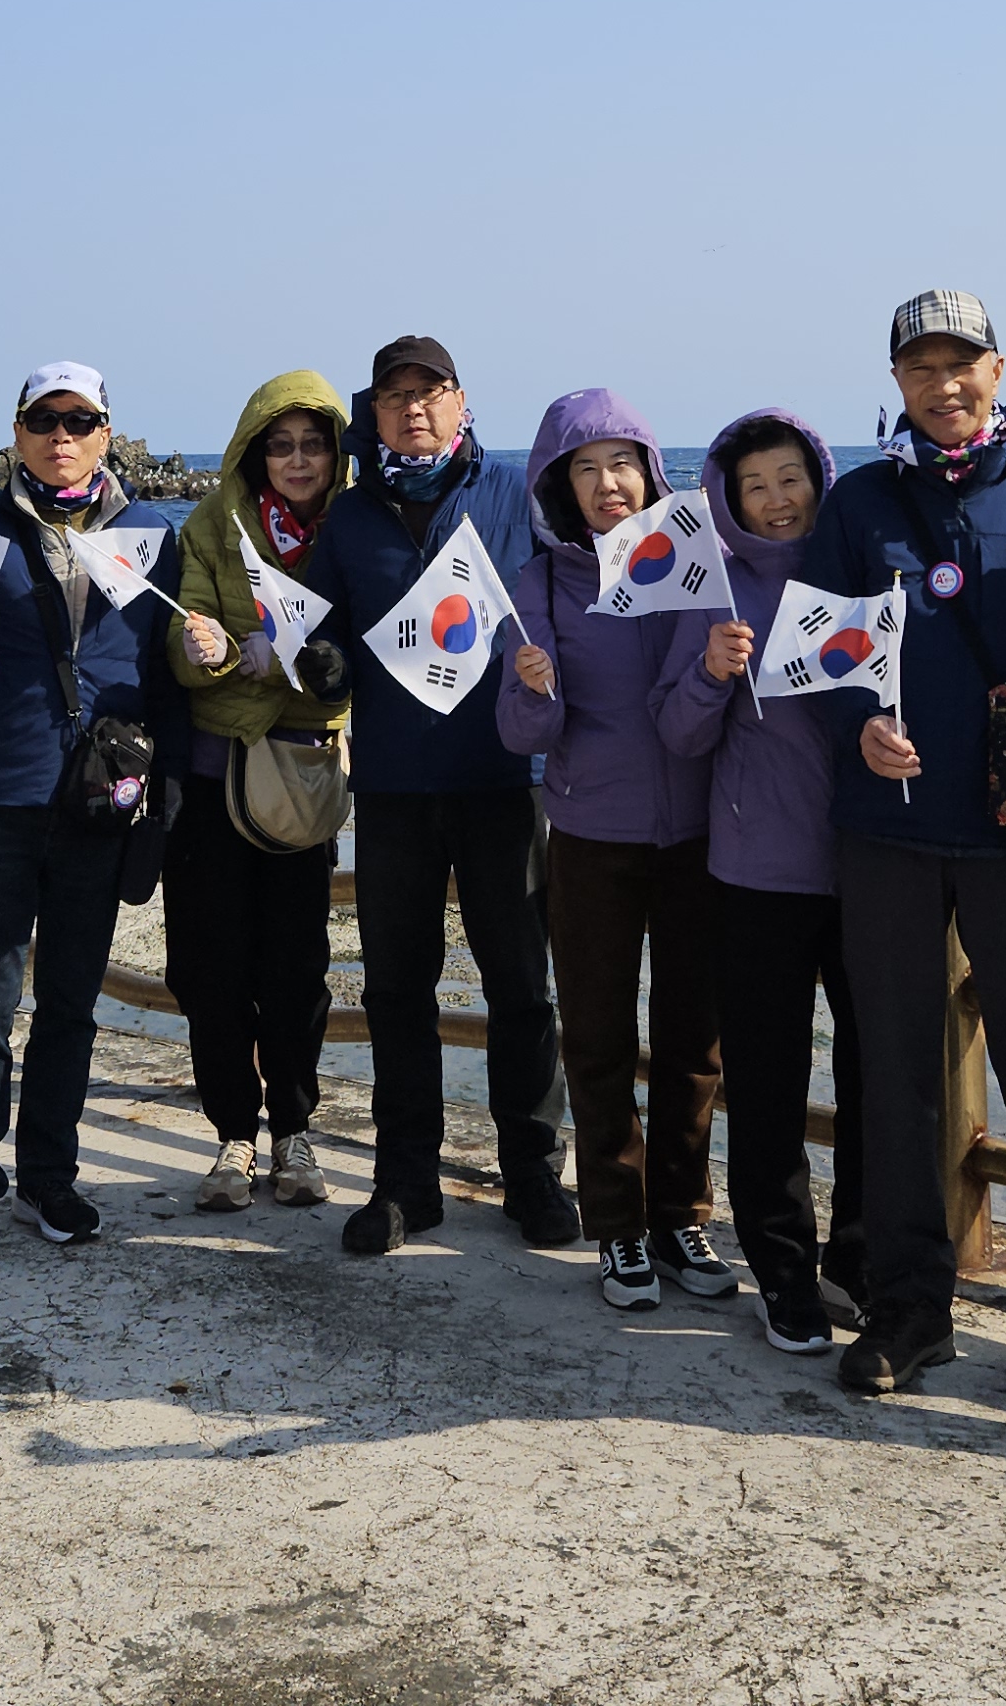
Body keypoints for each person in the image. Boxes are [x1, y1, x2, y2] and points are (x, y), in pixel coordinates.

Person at [796, 291, 1006, 1418]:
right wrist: (856, 725)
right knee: (891, 1074)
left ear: (998, 370)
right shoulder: (860, 501)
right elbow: (817, 649)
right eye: (921, 368)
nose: (944, 385)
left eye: (961, 363)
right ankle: (906, 1306)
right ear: (896, 382)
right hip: (884, 830)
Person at [0, 361, 181, 1267]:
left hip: (100, 798)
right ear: (18, 432)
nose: (63, 436)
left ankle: (49, 1178)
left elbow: (166, 665)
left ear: (107, 433)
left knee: (70, 1004)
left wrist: (203, 664)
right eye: (45, 420)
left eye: (81, 420)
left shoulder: (150, 534)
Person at [302, 334, 569, 1255]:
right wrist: (323, 664)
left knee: (521, 987)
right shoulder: (349, 517)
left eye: (431, 391)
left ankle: (533, 1173)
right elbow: (325, 635)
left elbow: (577, 591)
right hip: (393, 786)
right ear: (371, 414)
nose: (413, 408)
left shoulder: (514, 494)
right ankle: (405, 1181)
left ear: (461, 401)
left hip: (503, 777)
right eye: (395, 396)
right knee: (396, 990)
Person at [503, 388, 728, 1310]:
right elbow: (524, 734)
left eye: (623, 464)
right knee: (596, 1037)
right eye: (586, 470)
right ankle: (618, 1226)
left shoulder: (694, 563)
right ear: (558, 486)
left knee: (694, 1043)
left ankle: (680, 1216)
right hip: (591, 834)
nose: (608, 485)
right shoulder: (542, 582)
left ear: (651, 471)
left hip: (697, 835)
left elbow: (707, 702)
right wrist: (534, 689)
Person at [651, 407, 861, 1355]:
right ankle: (783, 1273)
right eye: (755, 487)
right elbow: (676, 731)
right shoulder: (712, 588)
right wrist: (708, 672)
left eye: (790, 479)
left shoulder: (858, 568)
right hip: (755, 874)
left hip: (868, 868)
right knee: (769, 1085)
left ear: (819, 480)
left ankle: (858, 1259)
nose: (777, 501)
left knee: (876, 1076)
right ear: (728, 501)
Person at [162, 371, 354, 1217]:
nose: (298, 459)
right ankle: (232, 1134)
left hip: (301, 783)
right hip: (210, 783)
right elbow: (184, 639)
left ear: (337, 452)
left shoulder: (353, 528)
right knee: (207, 969)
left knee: (296, 968)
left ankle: (295, 1133)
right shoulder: (212, 524)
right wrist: (204, 650)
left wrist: (276, 663)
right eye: (280, 445)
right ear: (253, 451)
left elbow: (352, 654)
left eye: (314, 444)